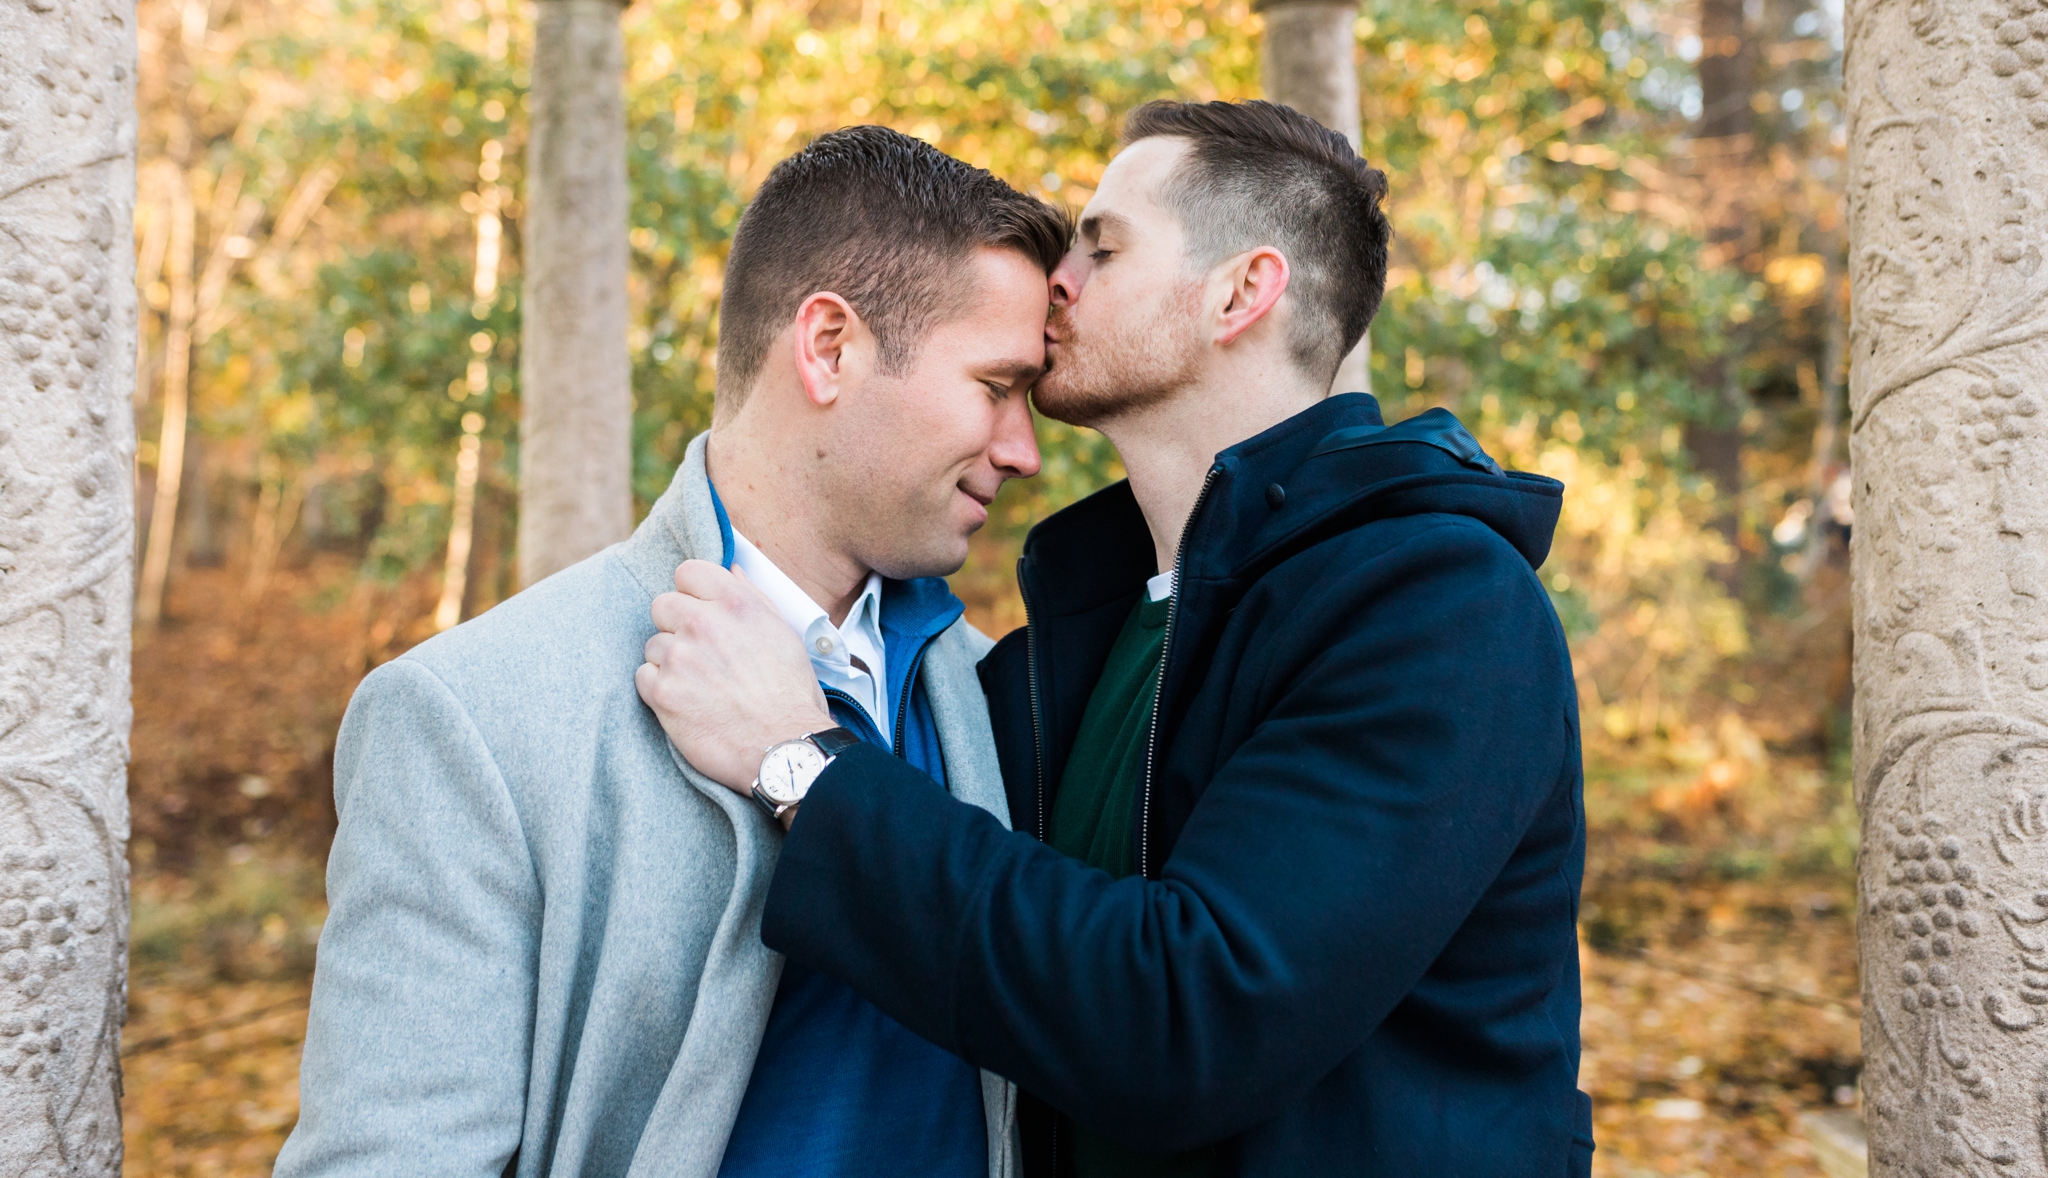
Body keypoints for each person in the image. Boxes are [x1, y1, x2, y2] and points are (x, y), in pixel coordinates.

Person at [639, 100, 1594, 1177]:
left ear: (1241, 291)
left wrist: (801, 763)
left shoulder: (1438, 608)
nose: (1060, 276)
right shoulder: (1060, 648)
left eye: (1102, 247)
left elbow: (1189, 1025)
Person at [274, 126, 1071, 1178]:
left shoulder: (1000, 690)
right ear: (827, 347)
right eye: (995, 387)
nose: (1023, 451)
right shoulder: (472, 712)